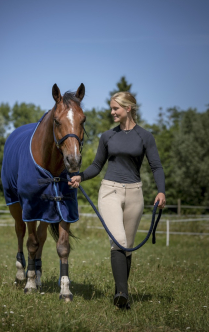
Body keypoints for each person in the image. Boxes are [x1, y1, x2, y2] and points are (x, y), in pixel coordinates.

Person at [69, 91, 166, 309]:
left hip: (135, 194)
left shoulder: (145, 136)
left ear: (128, 108)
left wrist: (161, 191)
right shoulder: (107, 136)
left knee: (128, 247)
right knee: (119, 241)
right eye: (111, 108)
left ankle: (119, 294)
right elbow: (96, 166)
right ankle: (123, 293)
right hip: (109, 191)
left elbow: (156, 166)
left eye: (116, 108)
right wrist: (81, 176)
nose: (112, 112)